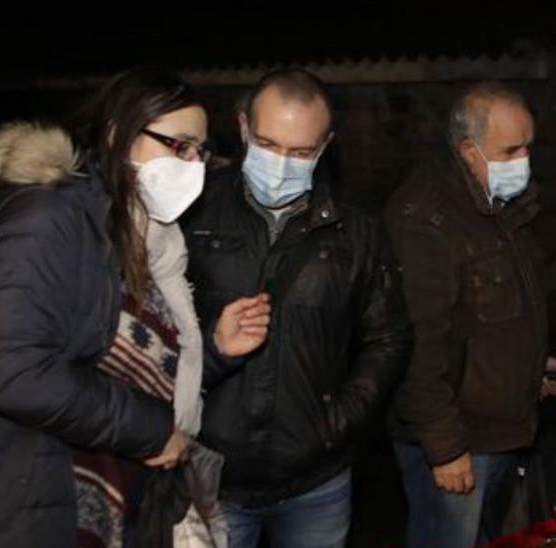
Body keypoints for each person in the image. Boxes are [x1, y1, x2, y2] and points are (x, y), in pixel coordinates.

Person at [0, 67, 267, 548]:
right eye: (177, 146)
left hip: (119, 488)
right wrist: (151, 431)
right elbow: (15, 373)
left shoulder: (149, 237)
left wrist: (216, 351)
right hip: (29, 493)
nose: (192, 165)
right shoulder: (48, 220)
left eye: (200, 151)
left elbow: (134, 365)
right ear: (118, 134)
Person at [181, 68, 412, 548]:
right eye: (268, 145)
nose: (282, 164)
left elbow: (387, 336)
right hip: (211, 474)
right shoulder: (193, 214)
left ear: (326, 145)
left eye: (301, 152)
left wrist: (340, 420)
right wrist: (213, 350)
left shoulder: (357, 230)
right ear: (244, 128)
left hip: (316, 482)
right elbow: (155, 333)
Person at [385, 82, 556, 547]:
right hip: (460, 438)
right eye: (511, 149)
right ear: (468, 149)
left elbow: (495, 311)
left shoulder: (497, 201)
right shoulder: (427, 218)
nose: (523, 160)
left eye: (528, 147)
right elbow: (419, 342)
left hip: (498, 429)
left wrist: (530, 363)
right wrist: (445, 447)